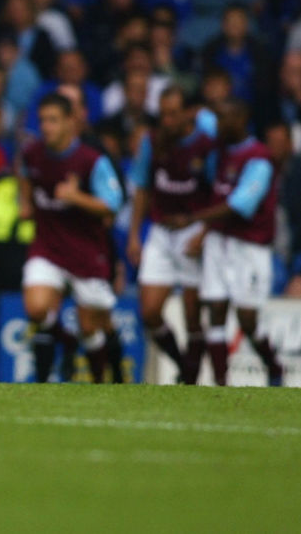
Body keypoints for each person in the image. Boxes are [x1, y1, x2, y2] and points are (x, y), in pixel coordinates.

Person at [167, 100, 283, 387]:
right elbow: (203, 116)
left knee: (247, 320)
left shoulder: (259, 159)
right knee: (215, 311)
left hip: (249, 246)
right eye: (218, 118)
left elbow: (240, 205)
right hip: (219, 241)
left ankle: (274, 367)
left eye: (224, 118)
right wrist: (187, 111)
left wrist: (191, 219)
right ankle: (221, 383)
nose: (217, 124)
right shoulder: (221, 145)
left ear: (242, 118)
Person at [18, 93, 124, 384]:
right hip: (47, 247)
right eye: (42, 120)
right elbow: (26, 174)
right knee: (36, 308)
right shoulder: (33, 153)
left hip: (85, 251)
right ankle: (66, 341)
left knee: (91, 327)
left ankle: (101, 384)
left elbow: (113, 204)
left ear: (70, 122)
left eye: (53, 120)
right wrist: (25, 202)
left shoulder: (92, 160)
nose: (46, 127)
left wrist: (76, 197)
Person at [126, 87, 215, 384]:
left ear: (189, 113)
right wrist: (134, 235)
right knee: (149, 312)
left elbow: (219, 193)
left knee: (193, 316)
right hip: (161, 231)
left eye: (173, 114)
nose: (167, 121)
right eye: (163, 114)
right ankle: (182, 365)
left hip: (193, 232)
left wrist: (205, 232)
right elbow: (142, 188)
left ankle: (190, 378)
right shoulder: (152, 142)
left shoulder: (205, 145)